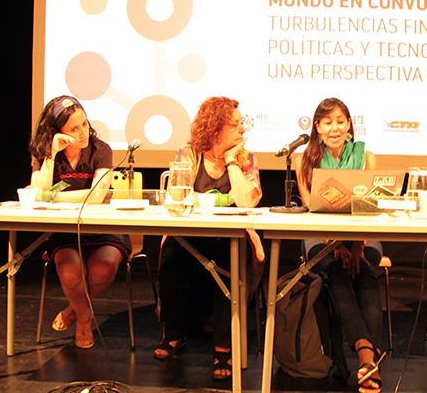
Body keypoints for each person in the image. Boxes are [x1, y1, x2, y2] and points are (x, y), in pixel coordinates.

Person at [153, 96, 263, 380]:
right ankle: (174, 334)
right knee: (170, 260)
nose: (242, 129)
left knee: (230, 264)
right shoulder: (189, 154)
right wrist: (223, 199)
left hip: (230, 237)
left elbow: (247, 201)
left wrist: (231, 161)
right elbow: (179, 197)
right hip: (190, 235)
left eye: (241, 123)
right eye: (234, 125)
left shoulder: (246, 158)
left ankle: (223, 347)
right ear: (214, 129)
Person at [28, 95, 132, 349]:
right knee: (69, 273)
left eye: (84, 124)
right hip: (65, 230)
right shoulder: (46, 152)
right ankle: (84, 318)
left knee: (103, 269)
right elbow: (35, 191)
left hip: (102, 227)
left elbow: (96, 196)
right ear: (56, 132)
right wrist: (51, 154)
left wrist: (51, 197)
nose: (83, 132)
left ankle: (72, 310)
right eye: (73, 129)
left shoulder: (101, 149)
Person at [295, 97, 385, 393]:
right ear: (317, 127)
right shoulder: (304, 160)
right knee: (336, 272)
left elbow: (370, 206)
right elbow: (312, 208)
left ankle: (367, 361)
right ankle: (368, 358)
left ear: (349, 126)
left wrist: (357, 244)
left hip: (362, 232)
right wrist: (336, 243)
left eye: (340, 121)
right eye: (327, 122)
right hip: (320, 234)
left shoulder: (367, 157)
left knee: (366, 271)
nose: (334, 128)